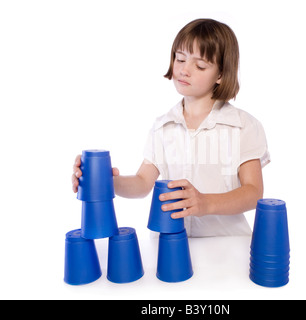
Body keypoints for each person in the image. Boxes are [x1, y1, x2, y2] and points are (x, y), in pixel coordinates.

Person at [72, 19, 270, 237]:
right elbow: (142, 183)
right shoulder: (162, 127)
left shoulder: (243, 127)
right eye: (180, 58)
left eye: (200, 65)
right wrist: (104, 182)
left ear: (221, 74)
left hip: (227, 248)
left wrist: (205, 203)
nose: (184, 70)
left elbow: (253, 193)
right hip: (170, 249)